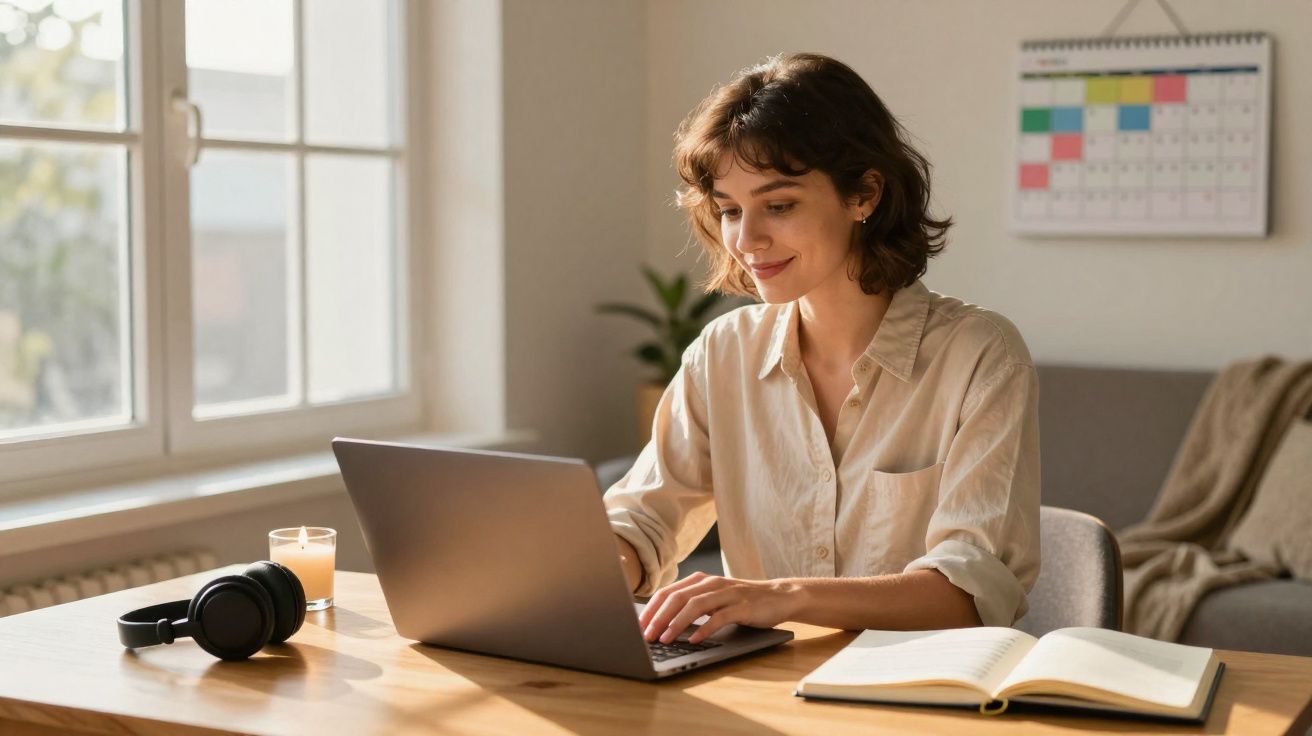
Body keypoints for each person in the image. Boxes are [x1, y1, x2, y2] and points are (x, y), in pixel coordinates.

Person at [605, 52, 1040, 647]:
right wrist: (595, 562)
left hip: (920, 695)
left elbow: (968, 592)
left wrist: (779, 596)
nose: (747, 239)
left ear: (864, 194)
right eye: (730, 210)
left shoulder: (980, 356)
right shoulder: (722, 354)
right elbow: (644, 518)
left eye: (778, 205)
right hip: (764, 690)